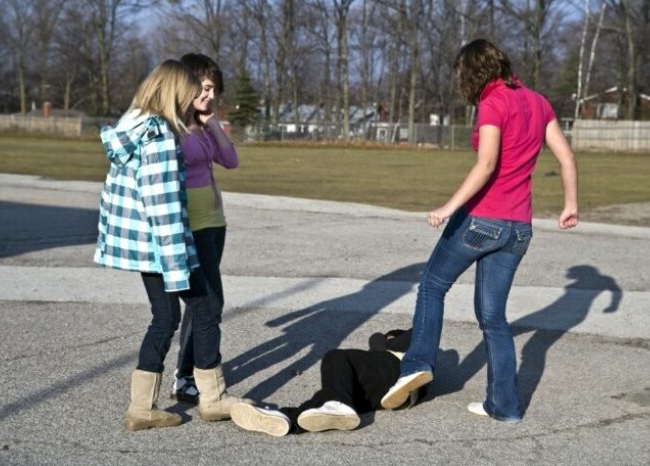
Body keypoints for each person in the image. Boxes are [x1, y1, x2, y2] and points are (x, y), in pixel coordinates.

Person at [380, 39, 579, 423]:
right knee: (493, 319)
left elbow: (486, 165)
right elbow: (566, 156)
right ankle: (504, 406)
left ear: (473, 72)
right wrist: (571, 204)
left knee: (433, 286)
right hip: (518, 229)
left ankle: (417, 363)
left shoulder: (493, 102)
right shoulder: (539, 102)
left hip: (482, 221)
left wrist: (448, 207)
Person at [95, 59, 242, 431]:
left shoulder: (135, 124)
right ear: (176, 91)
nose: (199, 96)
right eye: (193, 90)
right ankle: (213, 399)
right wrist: (178, 262)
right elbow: (163, 207)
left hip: (144, 245)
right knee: (206, 309)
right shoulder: (160, 136)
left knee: (164, 318)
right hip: (165, 247)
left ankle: (142, 408)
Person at [167, 53, 247, 419]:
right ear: (188, 84)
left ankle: (189, 374)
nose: (211, 94)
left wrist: (212, 124)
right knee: (208, 302)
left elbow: (231, 161)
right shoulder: (171, 128)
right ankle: (189, 376)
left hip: (215, 224)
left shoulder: (201, 127)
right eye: (206, 87)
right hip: (192, 226)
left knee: (202, 303)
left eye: (215, 89)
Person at [229, 329, 417, 437]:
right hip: (384, 392)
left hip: (394, 368)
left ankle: (337, 404)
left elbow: (376, 338)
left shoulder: (405, 342)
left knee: (336, 357)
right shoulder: (399, 350)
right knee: (331, 398)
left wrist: (388, 337)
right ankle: (288, 419)